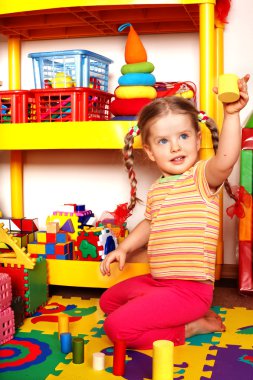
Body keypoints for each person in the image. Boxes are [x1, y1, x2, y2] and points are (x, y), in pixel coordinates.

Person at [99, 75, 250, 350]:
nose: (176, 146)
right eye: (164, 141)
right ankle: (166, 314)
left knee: (116, 329)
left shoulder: (202, 177)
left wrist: (231, 114)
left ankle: (189, 327)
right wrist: (124, 249)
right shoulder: (157, 189)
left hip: (190, 290)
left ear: (197, 138)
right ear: (150, 151)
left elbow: (227, 158)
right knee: (108, 302)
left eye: (183, 136)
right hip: (159, 282)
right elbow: (148, 224)